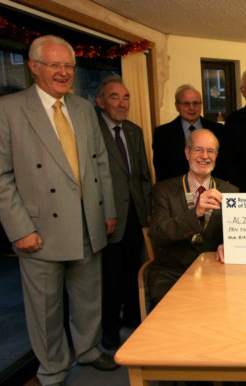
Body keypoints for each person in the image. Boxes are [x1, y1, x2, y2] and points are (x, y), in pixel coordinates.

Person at [0, 35, 118, 386]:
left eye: (68, 66)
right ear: (34, 67)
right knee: (45, 309)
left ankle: (88, 351)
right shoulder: (6, 110)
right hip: (39, 230)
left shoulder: (82, 107)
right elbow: (0, 178)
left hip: (88, 222)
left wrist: (107, 211)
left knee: (89, 297)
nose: (63, 73)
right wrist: (20, 229)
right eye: (54, 65)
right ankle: (53, 372)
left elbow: (99, 164)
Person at [147, 129, 238, 305]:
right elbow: (157, 234)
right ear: (187, 152)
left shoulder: (231, 192)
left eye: (210, 151)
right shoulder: (163, 190)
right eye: (198, 149)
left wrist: (227, 244)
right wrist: (195, 214)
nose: (204, 156)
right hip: (172, 273)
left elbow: (237, 235)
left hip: (216, 273)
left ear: (216, 155)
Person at [95, 75, 152, 350]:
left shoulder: (134, 131)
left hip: (136, 214)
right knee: (110, 277)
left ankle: (132, 317)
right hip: (109, 216)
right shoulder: (92, 132)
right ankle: (110, 331)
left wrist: (148, 210)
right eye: (114, 97)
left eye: (126, 97)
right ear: (100, 102)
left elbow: (142, 175)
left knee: (133, 268)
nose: (122, 103)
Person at [152, 84, 224, 181]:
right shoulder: (162, 134)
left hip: (213, 189)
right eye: (186, 104)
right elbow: (161, 169)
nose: (191, 108)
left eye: (195, 103)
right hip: (176, 191)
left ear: (201, 105)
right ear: (177, 106)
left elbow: (224, 164)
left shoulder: (218, 130)